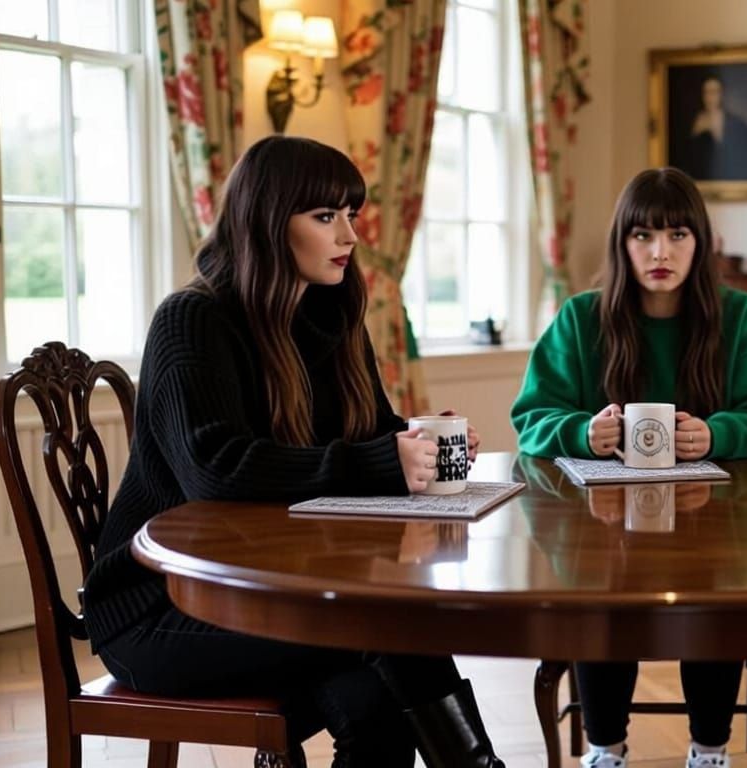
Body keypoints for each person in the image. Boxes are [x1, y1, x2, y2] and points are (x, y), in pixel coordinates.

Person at [82, 136, 501, 768]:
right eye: (325, 216)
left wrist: (418, 439)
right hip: (166, 604)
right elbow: (214, 471)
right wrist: (384, 460)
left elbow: (371, 433)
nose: (350, 236)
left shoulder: (331, 313)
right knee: (385, 634)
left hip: (281, 589)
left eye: (350, 216)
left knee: (377, 701)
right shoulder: (193, 320)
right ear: (268, 221)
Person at [510, 167, 747, 768]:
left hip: (717, 526)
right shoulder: (581, 318)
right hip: (599, 528)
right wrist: (582, 431)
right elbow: (532, 416)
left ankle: (710, 750)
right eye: (642, 236)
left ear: (702, 242)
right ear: (622, 243)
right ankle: (604, 748)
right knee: (600, 600)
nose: (660, 252)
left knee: (713, 600)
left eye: (677, 235)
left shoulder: (740, 317)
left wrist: (716, 433)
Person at [679, 75, 747, 182]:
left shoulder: (736, 123)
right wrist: (696, 135)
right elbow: (686, 160)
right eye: (707, 92)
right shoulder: (693, 122)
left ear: (721, 94)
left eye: (714, 92)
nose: (710, 97)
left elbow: (746, 154)